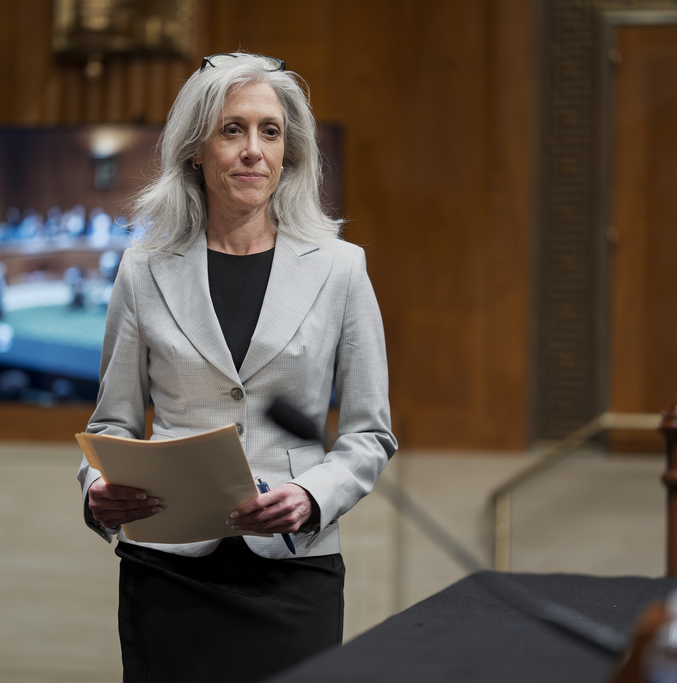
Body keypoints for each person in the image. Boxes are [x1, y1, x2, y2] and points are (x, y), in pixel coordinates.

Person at [77, 52, 397, 683]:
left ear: (288, 152)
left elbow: (370, 435)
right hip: (166, 568)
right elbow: (110, 425)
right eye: (233, 130)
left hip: (292, 570)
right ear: (196, 149)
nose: (253, 150)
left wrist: (310, 495)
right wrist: (95, 490)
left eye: (269, 132)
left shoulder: (341, 269)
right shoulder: (143, 269)